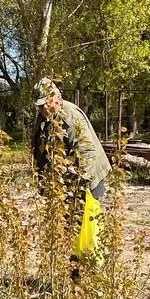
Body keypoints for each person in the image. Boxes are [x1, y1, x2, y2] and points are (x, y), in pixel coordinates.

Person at [31, 76, 111, 205]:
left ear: (58, 97)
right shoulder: (44, 116)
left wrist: (76, 191)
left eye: (47, 103)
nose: (44, 108)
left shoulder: (70, 116)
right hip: (64, 183)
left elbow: (87, 154)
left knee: (85, 222)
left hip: (88, 180)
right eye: (40, 105)